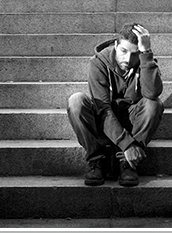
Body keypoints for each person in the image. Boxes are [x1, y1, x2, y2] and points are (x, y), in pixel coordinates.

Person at [67, 23, 164, 187]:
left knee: (154, 104)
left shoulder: (144, 61)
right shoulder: (98, 63)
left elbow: (152, 94)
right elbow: (103, 108)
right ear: (116, 45)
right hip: (103, 121)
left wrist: (146, 53)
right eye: (123, 51)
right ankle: (96, 160)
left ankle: (129, 162)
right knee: (76, 101)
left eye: (134, 54)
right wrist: (126, 144)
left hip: (132, 122)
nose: (127, 59)